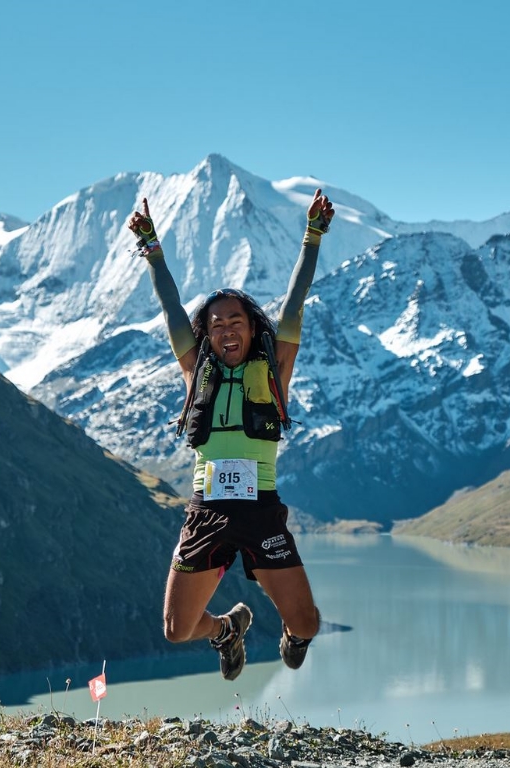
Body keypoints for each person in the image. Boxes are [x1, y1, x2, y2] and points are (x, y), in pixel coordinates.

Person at [126, 189, 334, 680]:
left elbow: (295, 305)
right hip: (208, 510)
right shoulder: (195, 371)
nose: (225, 329)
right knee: (177, 629)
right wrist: (151, 247)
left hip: (261, 508)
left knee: (308, 621)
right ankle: (225, 632)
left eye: (235, 321)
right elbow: (171, 307)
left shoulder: (274, 369)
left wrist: (313, 237)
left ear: (251, 328)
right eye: (216, 324)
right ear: (208, 335)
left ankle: (293, 634)